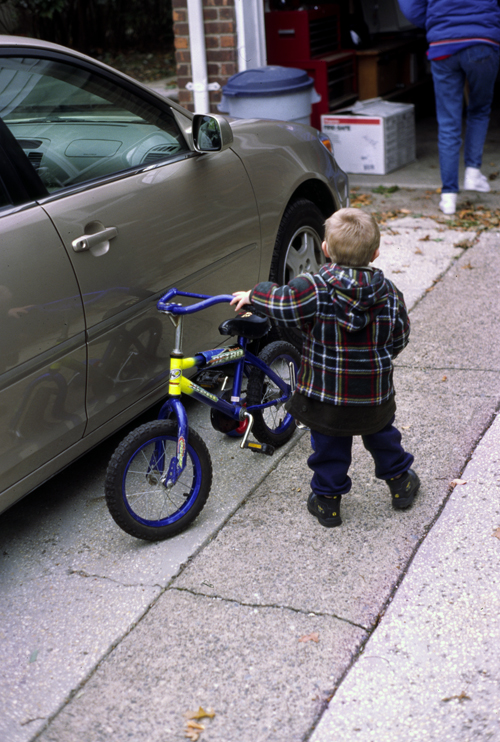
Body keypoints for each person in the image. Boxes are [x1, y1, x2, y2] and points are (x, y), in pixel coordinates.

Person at [231, 207, 419, 528]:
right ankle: (401, 483)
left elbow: (283, 302)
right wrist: (377, 360)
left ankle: (328, 503)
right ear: (375, 252)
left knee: (329, 448)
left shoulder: (314, 287)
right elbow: (400, 336)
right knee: (382, 437)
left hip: (324, 396)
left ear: (325, 249)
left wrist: (253, 295)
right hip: (373, 396)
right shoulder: (388, 293)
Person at [398, 0, 500, 215]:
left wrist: (437, 22)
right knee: (479, 109)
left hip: (442, 44)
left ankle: (448, 197)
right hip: (482, 41)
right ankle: (473, 172)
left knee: (448, 123)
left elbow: (409, 6)